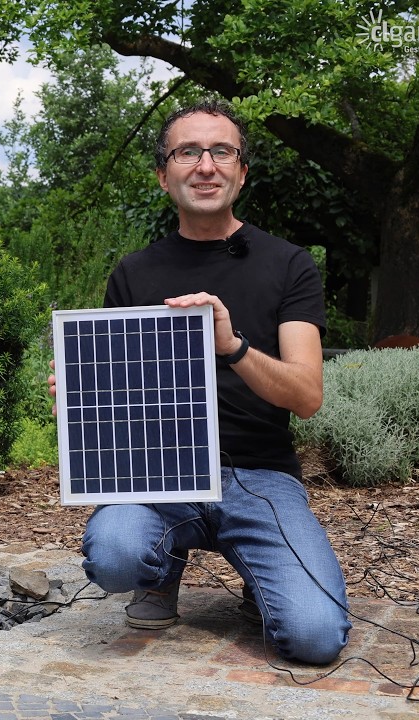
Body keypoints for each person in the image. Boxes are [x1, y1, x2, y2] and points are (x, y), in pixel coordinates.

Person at [49, 99, 350, 665]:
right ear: (165, 175)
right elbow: (120, 406)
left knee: (314, 636)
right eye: (188, 152)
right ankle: (158, 571)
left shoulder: (290, 265)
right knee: (114, 555)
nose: (205, 165)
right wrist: (81, 397)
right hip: (159, 474)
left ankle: (257, 577)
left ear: (241, 170)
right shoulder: (134, 273)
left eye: (221, 152)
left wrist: (232, 347)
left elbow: (307, 396)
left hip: (259, 476)